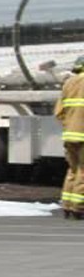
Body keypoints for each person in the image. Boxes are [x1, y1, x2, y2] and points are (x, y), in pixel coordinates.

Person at [54, 55, 84, 220]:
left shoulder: (68, 83)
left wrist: (69, 125)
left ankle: (67, 205)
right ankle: (79, 208)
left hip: (70, 135)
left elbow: (58, 112)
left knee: (72, 170)